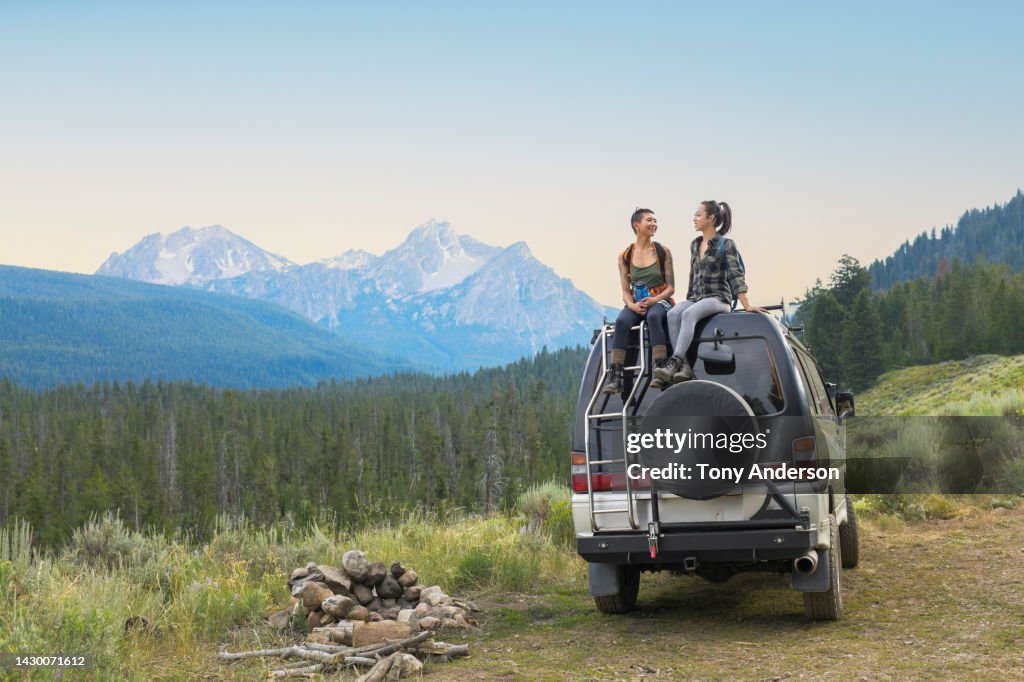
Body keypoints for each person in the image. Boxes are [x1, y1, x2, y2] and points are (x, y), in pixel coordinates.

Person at [655, 200, 767, 385]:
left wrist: (746, 304)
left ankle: (674, 361)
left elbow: (735, 275)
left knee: (689, 314)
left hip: (718, 299)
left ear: (711, 218)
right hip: (696, 298)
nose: (694, 218)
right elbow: (693, 275)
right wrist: (688, 298)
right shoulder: (695, 244)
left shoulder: (726, 244)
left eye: (698, 215)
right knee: (674, 313)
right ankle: (684, 367)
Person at [600, 208, 676, 395]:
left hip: (659, 300)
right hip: (637, 302)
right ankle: (615, 376)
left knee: (654, 317)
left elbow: (671, 288)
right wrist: (632, 305)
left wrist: (654, 300)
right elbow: (625, 291)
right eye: (649, 220)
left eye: (655, 221)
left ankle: (660, 367)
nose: (654, 224)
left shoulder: (662, 252)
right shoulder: (625, 256)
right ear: (637, 225)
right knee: (622, 321)